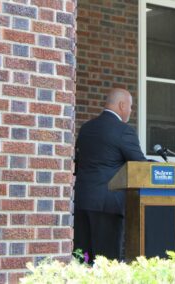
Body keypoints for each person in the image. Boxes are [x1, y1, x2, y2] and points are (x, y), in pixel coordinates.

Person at [73, 88, 146, 262]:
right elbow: (140, 166)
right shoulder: (123, 131)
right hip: (108, 207)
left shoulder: (86, 129)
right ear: (122, 105)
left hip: (83, 203)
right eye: (130, 106)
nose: (130, 111)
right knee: (107, 265)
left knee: (83, 262)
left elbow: (78, 162)